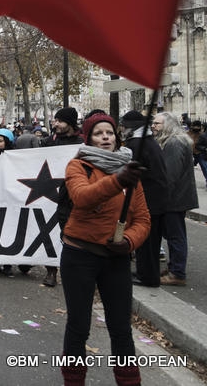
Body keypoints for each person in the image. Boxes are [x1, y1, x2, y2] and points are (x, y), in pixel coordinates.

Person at [59, 112, 149, 385]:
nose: (105, 137)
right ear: (89, 138)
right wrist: (118, 180)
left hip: (116, 259)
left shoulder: (130, 172)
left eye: (109, 132)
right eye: (98, 133)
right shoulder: (78, 166)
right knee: (78, 327)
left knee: (121, 328)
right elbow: (83, 197)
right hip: (80, 256)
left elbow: (143, 219)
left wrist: (130, 241)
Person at [119, 111, 169, 288]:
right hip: (158, 199)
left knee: (146, 241)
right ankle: (147, 272)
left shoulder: (136, 144)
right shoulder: (149, 142)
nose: (122, 129)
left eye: (124, 126)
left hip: (149, 199)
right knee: (151, 242)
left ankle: (147, 276)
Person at [38, 107, 84, 287]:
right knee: (48, 229)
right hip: (49, 193)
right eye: (54, 120)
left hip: (72, 194)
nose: (55, 124)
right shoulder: (49, 142)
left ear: (70, 123)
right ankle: (51, 271)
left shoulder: (81, 143)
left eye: (59, 121)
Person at [152, 112, 198, 286]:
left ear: (168, 125)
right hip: (176, 197)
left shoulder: (174, 142)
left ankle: (177, 272)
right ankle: (174, 268)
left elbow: (169, 174)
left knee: (175, 235)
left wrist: (160, 195)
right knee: (174, 234)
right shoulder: (175, 140)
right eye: (153, 123)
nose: (153, 126)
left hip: (174, 199)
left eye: (157, 123)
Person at [0, 128, 15, 276]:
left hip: (8, 200)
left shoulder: (14, 158)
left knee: (8, 231)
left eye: (1, 141)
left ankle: (7, 263)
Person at [189, 120, 207, 189]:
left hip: (199, 153)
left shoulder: (202, 134)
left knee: (205, 168)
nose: (196, 128)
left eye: (198, 126)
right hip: (191, 153)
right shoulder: (188, 133)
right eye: (195, 126)